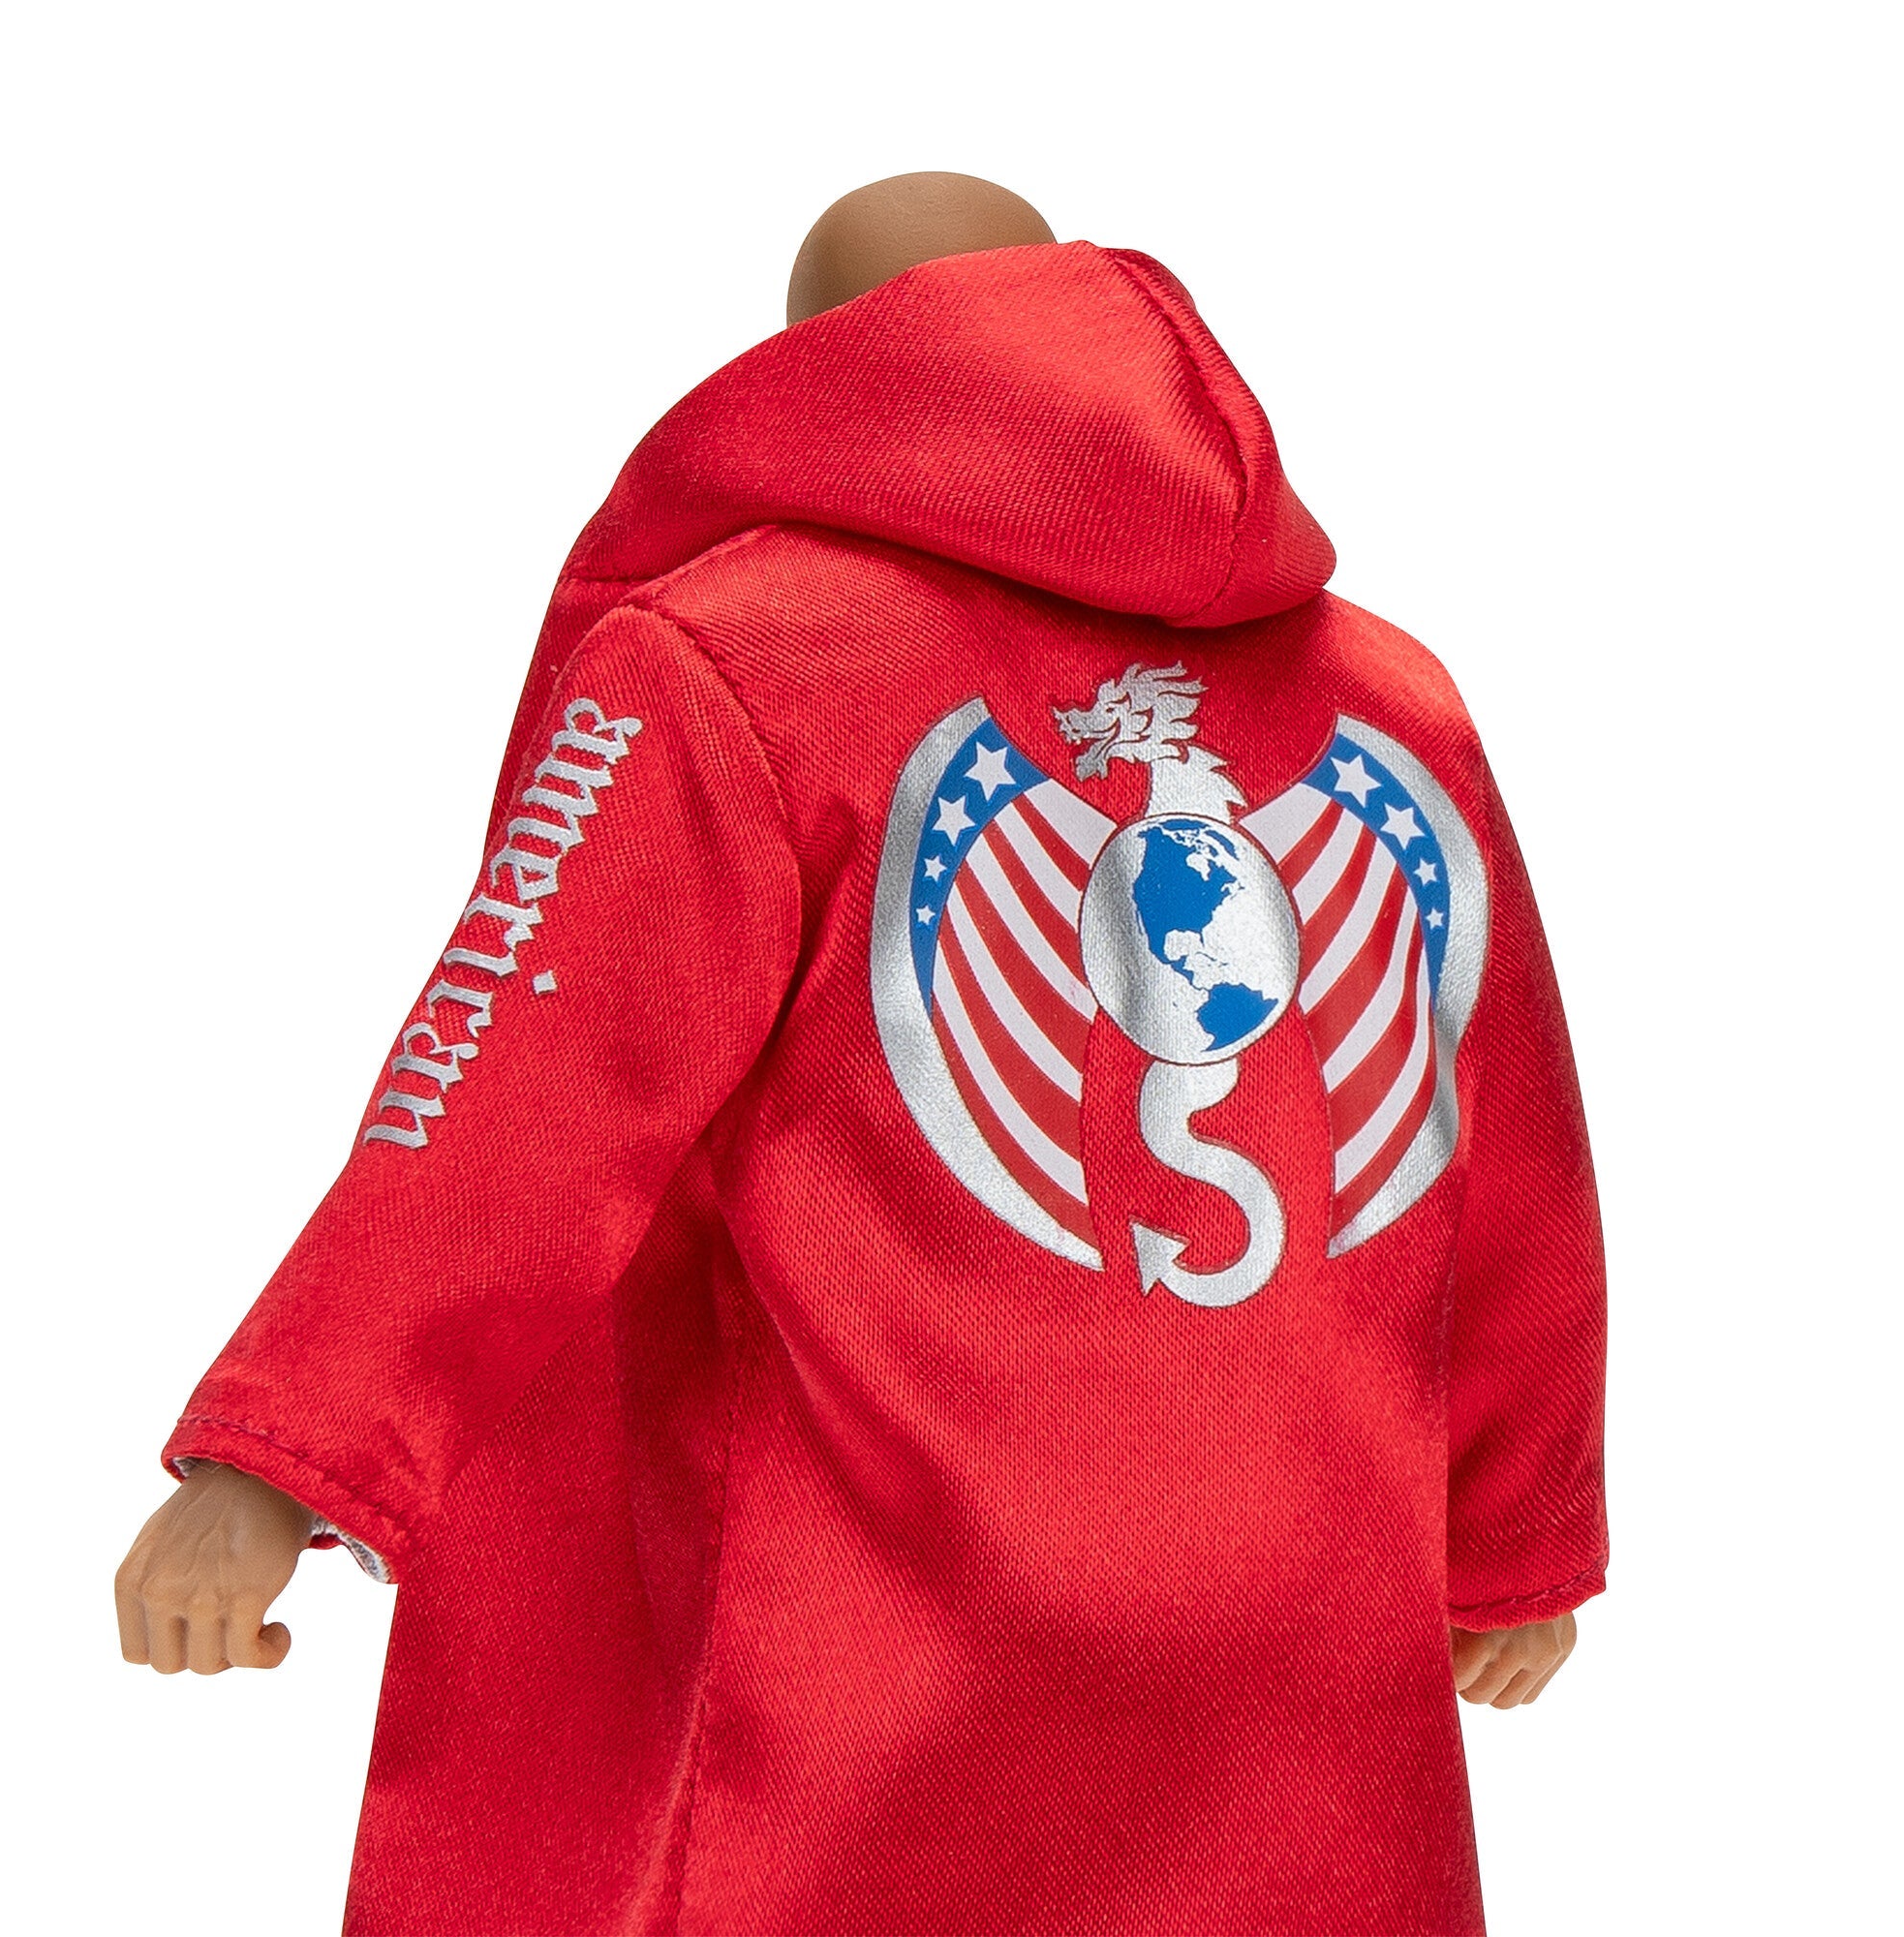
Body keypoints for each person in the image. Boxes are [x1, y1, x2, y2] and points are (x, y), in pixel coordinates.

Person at [116, 172, 1606, 1937]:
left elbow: (523, 1087)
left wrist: (278, 1461)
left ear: (830, 371)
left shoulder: (733, 658)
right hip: (1300, 1650)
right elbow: (1502, 1132)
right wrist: (1517, 1523)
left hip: (875, 1659)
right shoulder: (1393, 700)